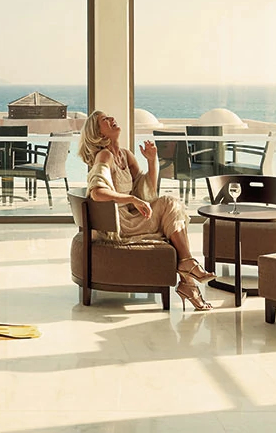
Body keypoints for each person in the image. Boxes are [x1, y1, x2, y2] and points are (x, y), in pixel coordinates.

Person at [78, 110, 216, 311]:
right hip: (118, 222)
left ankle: (189, 280)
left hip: (133, 217)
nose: (111, 119)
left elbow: (148, 191)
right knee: (170, 208)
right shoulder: (104, 155)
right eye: (104, 120)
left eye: (110, 116)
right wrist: (131, 199)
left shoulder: (125, 154)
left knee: (170, 206)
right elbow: (98, 192)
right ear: (99, 134)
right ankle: (188, 270)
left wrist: (152, 160)